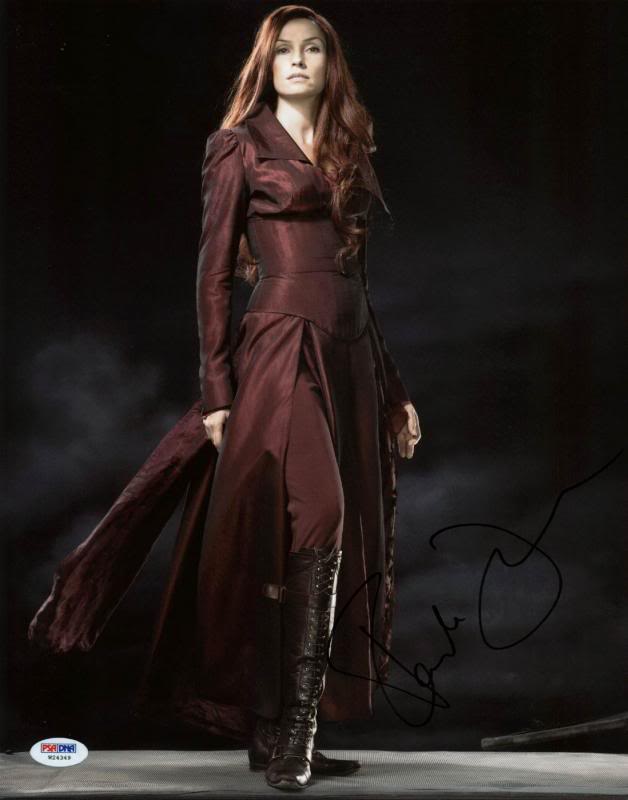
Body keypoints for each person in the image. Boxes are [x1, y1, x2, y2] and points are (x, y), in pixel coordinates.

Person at [27, 5, 421, 792]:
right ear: (266, 66)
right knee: (319, 514)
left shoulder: (347, 150)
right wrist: (216, 392)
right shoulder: (239, 145)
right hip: (281, 349)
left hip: (349, 357)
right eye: (284, 51)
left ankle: (274, 731)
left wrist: (394, 393)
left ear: (331, 64)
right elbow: (211, 276)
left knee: (325, 534)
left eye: (313, 49)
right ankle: (296, 737)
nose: (299, 61)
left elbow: (358, 284)